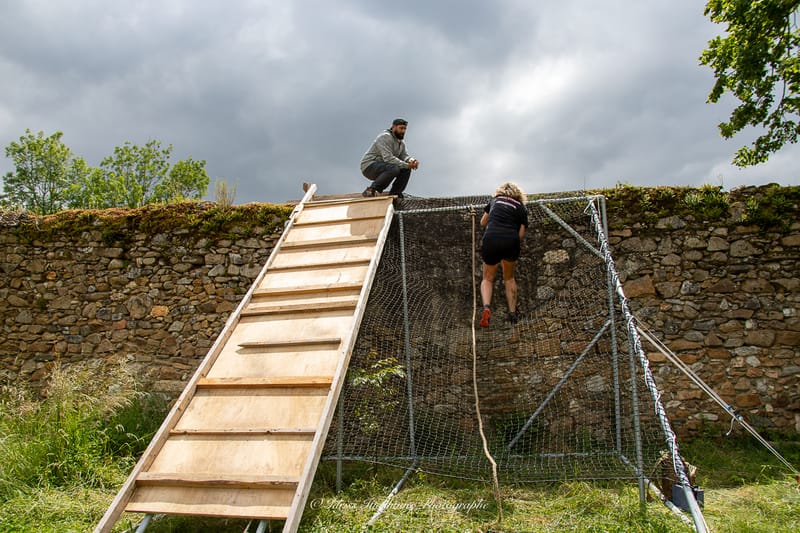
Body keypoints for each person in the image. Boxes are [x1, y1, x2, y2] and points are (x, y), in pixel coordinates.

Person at [479, 182, 528, 327]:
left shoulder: (495, 201)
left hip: (491, 238)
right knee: (509, 277)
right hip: (510, 240)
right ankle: (512, 313)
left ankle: (487, 308)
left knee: (487, 278)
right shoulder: (521, 207)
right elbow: (521, 233)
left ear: (500, 191)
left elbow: (483, 222)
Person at [360, 118, 420, 198]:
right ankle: (371, 190)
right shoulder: (385, 137)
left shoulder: (401, 143)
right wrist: (407, 165)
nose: (403, 131)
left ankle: (396, 193)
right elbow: (388, 158)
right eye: (401, 128)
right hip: (369, 166)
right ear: (394, 127)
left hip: (384, 166)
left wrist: (412, 161)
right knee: (394, 168)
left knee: (405, 169)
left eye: (405, 129)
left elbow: (404, 155)